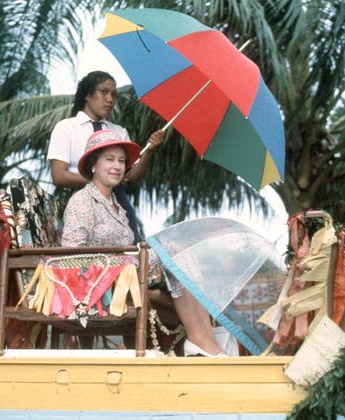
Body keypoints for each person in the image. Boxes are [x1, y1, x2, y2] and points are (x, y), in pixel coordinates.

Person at [62, 129, 226, 357]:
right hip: (100, 279)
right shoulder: (82, 201)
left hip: (126, 272)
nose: (117, 166)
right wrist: (116, 259)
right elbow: (72, 254)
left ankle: (204, 340)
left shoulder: (117, 206)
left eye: (121, 161)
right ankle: (199, 340)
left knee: (182, 256)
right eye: (109, 159)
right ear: (93, 164)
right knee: (174, 255)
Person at [47, 70, 165, 242]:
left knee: (133, 252)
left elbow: (132, 177)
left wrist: (150, 150)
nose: (110, 99)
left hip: (117, 203)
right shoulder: (66, 127)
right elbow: (58, 175)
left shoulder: (118, 131)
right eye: (104, 92)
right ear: (88, 94)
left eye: (114, 95)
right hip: (79, 199)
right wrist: (100, 184)